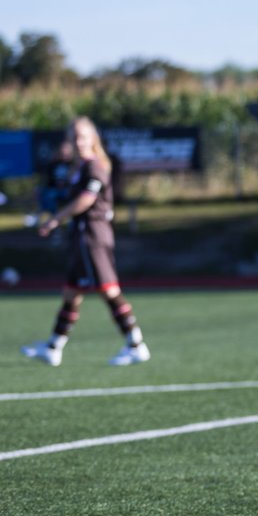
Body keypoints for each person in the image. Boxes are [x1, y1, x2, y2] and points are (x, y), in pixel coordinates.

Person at [21, 117, 151, 367]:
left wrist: (55, 220)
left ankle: (136, 345)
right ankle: (53, 347)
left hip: (92, 236)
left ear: (93, 139)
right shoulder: (78, 168)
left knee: (109, 289)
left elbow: (86, 200)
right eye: (74, 137)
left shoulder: (95, 166)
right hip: (80, 235)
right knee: (71, 291)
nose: (79, 142)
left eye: (83, 137)